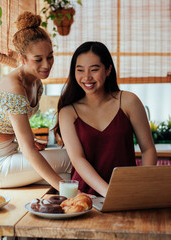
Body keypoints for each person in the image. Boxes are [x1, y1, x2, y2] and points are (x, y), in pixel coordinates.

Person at [0, 11, 71, 190]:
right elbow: (28, 150)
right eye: (38, 59)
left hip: (11, 154)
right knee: (69, 160)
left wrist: (28, 139)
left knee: (67, 175)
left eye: (50, 56)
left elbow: (14, 129)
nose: (47, 65)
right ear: (22, 58)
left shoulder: (36, 81)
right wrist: (65, 189)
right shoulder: (13, 86)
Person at [54, 41, 157, 197]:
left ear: (108, 70)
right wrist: (109, 193)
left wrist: (141, 184)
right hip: (85, 197)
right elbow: (78, 159)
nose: (87, 77)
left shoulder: (129, 101)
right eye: (80, 70)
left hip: (127, 192)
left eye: (94, 70)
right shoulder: (68, 112)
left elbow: (148, 149)